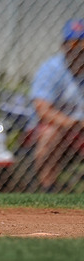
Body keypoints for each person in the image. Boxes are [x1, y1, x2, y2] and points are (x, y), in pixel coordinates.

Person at [30, 19, 84, 193]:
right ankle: (48, 189)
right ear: (64, 45)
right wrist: (73, 124)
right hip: (60, 127)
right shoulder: (52, 69)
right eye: (73, 43)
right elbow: (42, 110)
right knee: (50, 133)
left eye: (82, 44)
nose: (77, 49)